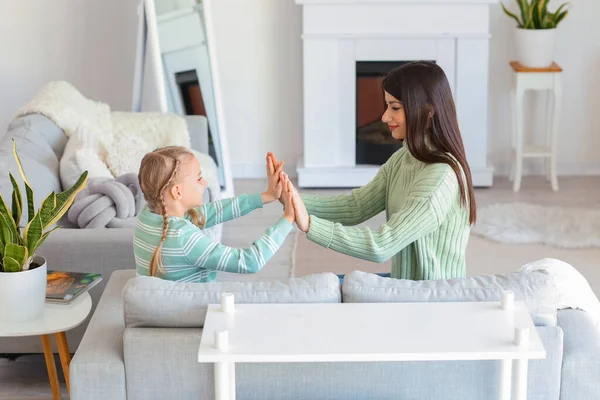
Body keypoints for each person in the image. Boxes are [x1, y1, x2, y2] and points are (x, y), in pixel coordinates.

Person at [274, 61, 477, 280]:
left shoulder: (440, 177)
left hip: (430, 300)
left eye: (395, 108)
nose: (384, 117)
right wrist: (290, 197)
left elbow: (382, 245)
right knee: (327, 284)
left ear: (427, 113)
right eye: (387, 106)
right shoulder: (404, 159)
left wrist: (310, 225)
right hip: (403, 285)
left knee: (330, 290)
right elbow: (356, 206)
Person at [134, 146, 296, 282]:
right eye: (199, 178)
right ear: (177, 192)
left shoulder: (147, 218)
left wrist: (266, 196)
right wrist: (288, 218)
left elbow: (213, 211)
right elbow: (249, 261)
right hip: (192, 314)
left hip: (162, 306)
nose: (205, 183)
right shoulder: (183, 238)